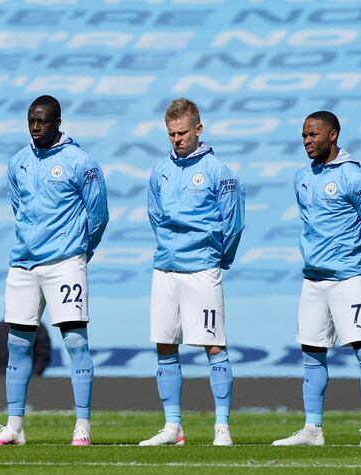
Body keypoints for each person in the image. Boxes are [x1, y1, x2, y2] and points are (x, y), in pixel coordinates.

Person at [0, 95, 109, 447]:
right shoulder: (18, 162)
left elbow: (98, 215)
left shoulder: (80, 162)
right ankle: (14, 426)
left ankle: (82, 426)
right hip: (23, 263)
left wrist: (80, 251)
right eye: (31, 121)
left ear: (57, 122)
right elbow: (18, 208)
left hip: (65, 262)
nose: (35, 127)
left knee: (75, 341)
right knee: (17, 343)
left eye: (42, 122)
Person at [273, 111, 361, 447]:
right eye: (304, 136)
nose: (308, 141)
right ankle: (313, 429)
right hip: (313, 278)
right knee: (312, 351)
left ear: (333, 135)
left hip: (349, 276)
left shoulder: (354, 177)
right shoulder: (302, 178)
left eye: (314, 135)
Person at [140, 98, 245, 447]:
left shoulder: (218, 171)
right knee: (165, 345)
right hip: (166, 269)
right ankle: (173, 427)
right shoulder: (160, 170)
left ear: (198, 129)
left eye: (182, 132)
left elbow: (234, 222)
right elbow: (155, 215)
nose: (177, 139)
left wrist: (216, 257)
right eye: (171, 134)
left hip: (202, 269)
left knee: (214, 345)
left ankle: (222, 427)